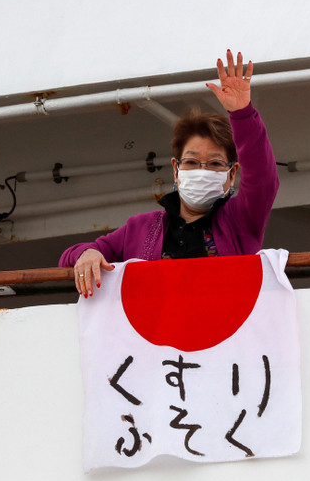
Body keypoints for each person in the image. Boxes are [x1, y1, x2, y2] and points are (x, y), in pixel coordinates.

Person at [59, 49, 279, 298]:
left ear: (231, 174)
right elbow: (69, 257)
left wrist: (243, 113)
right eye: (192, 162)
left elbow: (263, 179)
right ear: (176, 169)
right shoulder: (139, 228)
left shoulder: (241, 221)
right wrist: (86, 254)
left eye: (215, 164)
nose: (202, 171)